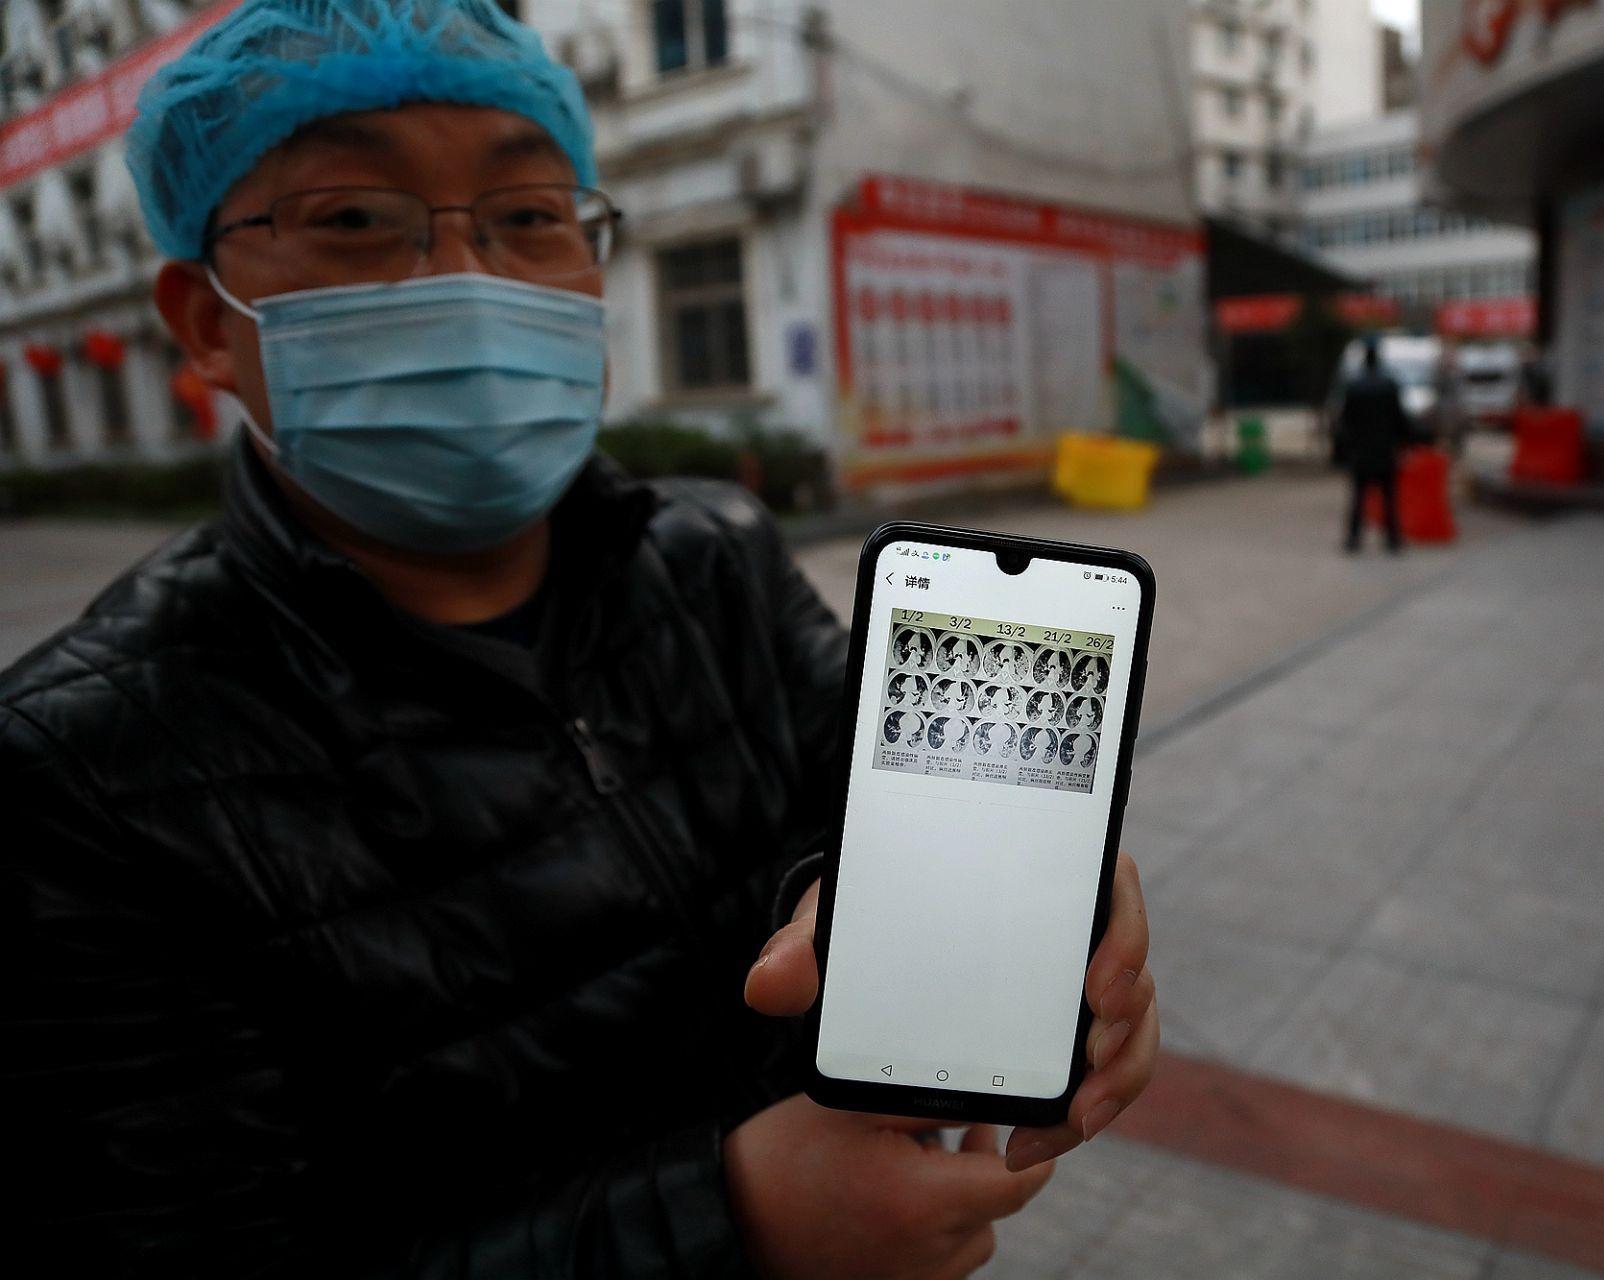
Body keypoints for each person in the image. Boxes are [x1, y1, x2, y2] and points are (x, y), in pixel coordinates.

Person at [0, 3, 1159, 1276]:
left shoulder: (715, 555)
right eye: (356, 217)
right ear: (206, 319)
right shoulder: (79, 769)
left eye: (528, 215)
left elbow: (854, 807)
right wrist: (732, 1221)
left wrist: (1023, 898)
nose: (468, 276)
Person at [1333, 335, 1414, 553]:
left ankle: (1353, 539)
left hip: (1361, 452)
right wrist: (1407, 442)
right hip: (1385, 450)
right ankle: (1392, 539)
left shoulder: (1354, 387)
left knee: (1358, 498)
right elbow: (1400, 419)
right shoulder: (1389, 385)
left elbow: (1345, 421)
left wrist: (1343, 451)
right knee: (1389, 497)